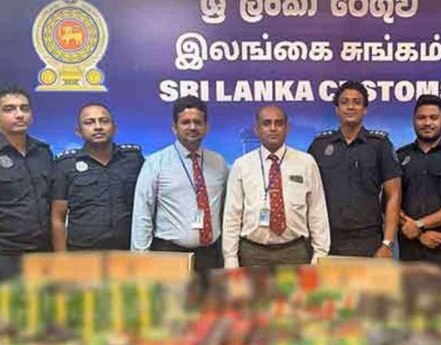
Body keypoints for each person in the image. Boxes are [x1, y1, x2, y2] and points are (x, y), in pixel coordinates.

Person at [222, 105, 329, 267]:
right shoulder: (242, 165)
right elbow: (232, 215)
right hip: (253, 253)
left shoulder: (306, 162)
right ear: (257, 129)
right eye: (266, 123)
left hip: (294, 252)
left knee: (294, 286)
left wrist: (320, 254)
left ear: (287, 128)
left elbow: (317, 211)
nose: (273, 128)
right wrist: (230, 258)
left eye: (278, 123)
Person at [131, 96, 228, 270]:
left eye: (198, 122)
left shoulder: (219, 163)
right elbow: (142, 214)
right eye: (185, 122)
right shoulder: (155, 163)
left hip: (211, 255)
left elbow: (226, 209)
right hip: (169, 254)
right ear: (174, 128)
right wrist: (140, 258)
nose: (192, 127)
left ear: (206, 128)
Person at [308, 81, 401, 257]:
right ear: (337, 109)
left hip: (368, 239)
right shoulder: (319, 145)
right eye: (344, 102)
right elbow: (308, 193)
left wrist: (388, 243)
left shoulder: (379, 144)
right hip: (327, 239)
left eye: (357, 102)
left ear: (365, 109)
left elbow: (394, 195)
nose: (350, 107)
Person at [51, 103, 144, 251]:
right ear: (78, 131)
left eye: (104, 121)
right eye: (89, 122)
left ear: (114, 128)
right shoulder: (65, 164)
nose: (98, 127)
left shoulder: (133, 159)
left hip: (128, 251)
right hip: (83, 252)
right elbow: (58, 217)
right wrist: (61, 258)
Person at [396, 94, 441, 272]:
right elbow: (391, 203)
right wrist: (419, 234)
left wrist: (419, 225)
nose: (427, 123)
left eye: (433, 117)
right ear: (413, 121)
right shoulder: (400, 156)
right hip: (409, 248)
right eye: (421, 118)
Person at [0, 86, 52, 280]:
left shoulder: (43, 151)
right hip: (6, 254)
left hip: (43, 252)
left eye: (24, 108)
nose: (19, 114)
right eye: (9, 109)